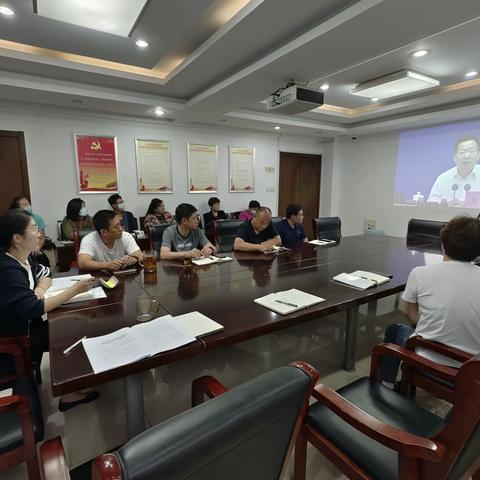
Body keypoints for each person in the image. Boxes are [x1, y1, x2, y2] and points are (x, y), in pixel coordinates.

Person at [0, 209, 99, 411]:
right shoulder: (8, 269)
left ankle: (74, 383)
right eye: (34, 229)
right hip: (17, 340)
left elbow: (45, 273)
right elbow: (33, 308)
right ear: (17, 238)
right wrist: (74, 290)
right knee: (70, 327)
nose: (39, 234)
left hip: (30, 326)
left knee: (75, 318)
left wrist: (39, 288)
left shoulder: (25, 258)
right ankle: (69, 393)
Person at [381, 215, 480, 383]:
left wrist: (431, 323)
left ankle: (387, 384)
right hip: (470, 374)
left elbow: (407, 311)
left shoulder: (420, 273)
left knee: (395, 330)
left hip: (425, 363)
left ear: (442, 245)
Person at [77, 210, 143, 271]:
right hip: (99, 277)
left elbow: (141, 256)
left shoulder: (126, 236)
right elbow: (82, 263)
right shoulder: (89, 240)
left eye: (120, 224)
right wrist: (106, 265)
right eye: (116, 226)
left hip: (123, 278)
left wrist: (135, 259)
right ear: (103, 232)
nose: (121, 229)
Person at [427, 136, 480, 205]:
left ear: (478, 155)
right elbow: (431, 204)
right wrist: (445, 206)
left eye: (471, 151)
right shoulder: (443, 178)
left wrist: (468, 204)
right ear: (454, 157)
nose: (466, 156)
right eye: (462, 152)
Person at [10, 196, 49, 266]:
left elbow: (42, 237)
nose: (28, 206)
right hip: (21, 250)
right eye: (25, 205)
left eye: (28, 204)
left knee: (41, 258)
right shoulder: (13, 221)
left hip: (34, 249)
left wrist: (37, 247)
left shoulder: (37, 217)